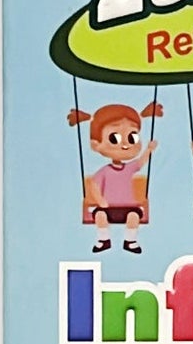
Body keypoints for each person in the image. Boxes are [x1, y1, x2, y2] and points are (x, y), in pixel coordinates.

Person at [67, 101, 161, 253]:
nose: (125, 144)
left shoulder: (129, 168)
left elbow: (140, 162)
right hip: (107, 208)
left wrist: (149, 150)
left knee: (133, 217)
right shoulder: (104, 171)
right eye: (114, 138)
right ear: (95, 144)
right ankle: (104, 240)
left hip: (129, 208)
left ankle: (130, 241)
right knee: (100, 216)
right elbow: (94, 185)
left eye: (132, 137)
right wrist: (100, 201)